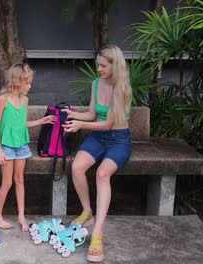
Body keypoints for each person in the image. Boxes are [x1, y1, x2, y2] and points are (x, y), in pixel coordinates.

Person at [62, 45, 132, 262]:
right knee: (77, 167)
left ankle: (98, 233)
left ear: (115, 65)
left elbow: (109, 124)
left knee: (102, 174)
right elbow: (93, 114)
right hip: (98, 138)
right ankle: (87, 212)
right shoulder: (95, 84)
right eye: (98, 65)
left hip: (118, 140)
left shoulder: (123, 89)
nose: (99, 69)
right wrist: (72, 114)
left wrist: (80, 126)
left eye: (103, 66)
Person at [0, 63, 56, 232]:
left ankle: (21, 216)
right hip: (6, 146)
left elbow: (22, 124)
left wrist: (41, 121)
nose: (30, 86)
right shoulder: (3, 100)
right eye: (27, 82)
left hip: (21, 146)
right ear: (16, 81)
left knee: (19, 179)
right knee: (6, 183)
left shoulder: (25, 100)